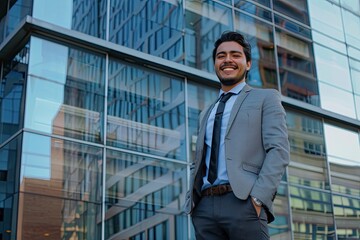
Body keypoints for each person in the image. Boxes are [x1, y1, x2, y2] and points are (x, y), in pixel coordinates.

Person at [183, 31, 290, 240]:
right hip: (204, 208)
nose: (227, 60)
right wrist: (193, 202)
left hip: (243, 203)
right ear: (215, 63)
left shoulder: (266, 98)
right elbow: (198, 161)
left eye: (235, 55)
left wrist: (259, 198)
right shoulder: (207, 111)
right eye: (221, 56)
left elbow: (279, 150)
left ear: (248, 63)